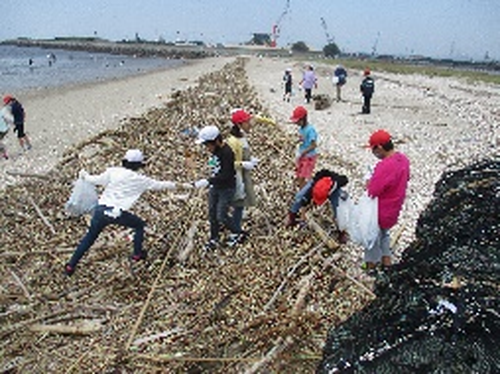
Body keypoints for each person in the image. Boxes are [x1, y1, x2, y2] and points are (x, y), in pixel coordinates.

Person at [65, 149, 190, 276]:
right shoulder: (140, 179)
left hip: (100, 210)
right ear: (138, 165)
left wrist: (84, 175)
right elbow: (161, 185)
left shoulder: (113, 171)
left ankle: (71, 265)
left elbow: (95, 180)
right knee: (139, 225)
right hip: (115, 213)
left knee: (89, 237)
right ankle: (137, 254)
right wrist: (188, 185)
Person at [194, 125, 244, 250]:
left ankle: (238, 232)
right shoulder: (214, 152)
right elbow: (214, 168)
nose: (207, 148)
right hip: (214, 186)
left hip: (226, 188)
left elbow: (227, 175)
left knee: (221, 214)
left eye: (208, 145)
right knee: (212, 213)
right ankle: (214, 238)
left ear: (216, 141)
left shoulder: (227, 153)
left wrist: (208, 181)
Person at [365, 129, 410, 269]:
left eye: (373, 150)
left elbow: (373, 191)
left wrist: (368, 183)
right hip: (394, 208)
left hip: (380, 211)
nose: (374, 153)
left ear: (379, 147)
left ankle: (371, 267)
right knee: (384, 234)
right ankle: (387, 263)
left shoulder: (384, 166)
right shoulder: (403, 160)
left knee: (371, 238)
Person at [286, 169, 349, 242]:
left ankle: (341, 232)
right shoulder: (314, 186)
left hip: (333, 189)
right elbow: (304, 200)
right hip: (318, 184)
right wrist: (303, 215)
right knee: (299, 197)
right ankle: (292, 216)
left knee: (339, 210)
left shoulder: (338, 182)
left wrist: (343, 196)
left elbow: (345, 180)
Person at [226, 109, 258, 243]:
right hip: (236, 177)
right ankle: (234, 232)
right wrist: (244, 164)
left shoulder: (241, 137)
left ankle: (236, 228)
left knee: (240, 204)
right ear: (240, 124)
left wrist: (251, 160)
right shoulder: (233, 141)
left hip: (242, 176)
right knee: (237, 204)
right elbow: (230, 163)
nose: (250, 124)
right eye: (247, 122)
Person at [290, 106, 318, 190]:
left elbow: (313, 145)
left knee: (303, 177)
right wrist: (296, 141)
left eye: (298, 121)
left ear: (303, 119)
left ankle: (304, 195)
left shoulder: (310, 130)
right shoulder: (301, 129)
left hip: (309, 157)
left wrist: (303, 152)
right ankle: (303, 191)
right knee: (299, 175)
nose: (296, 124)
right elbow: (302, 139)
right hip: (302, 156)